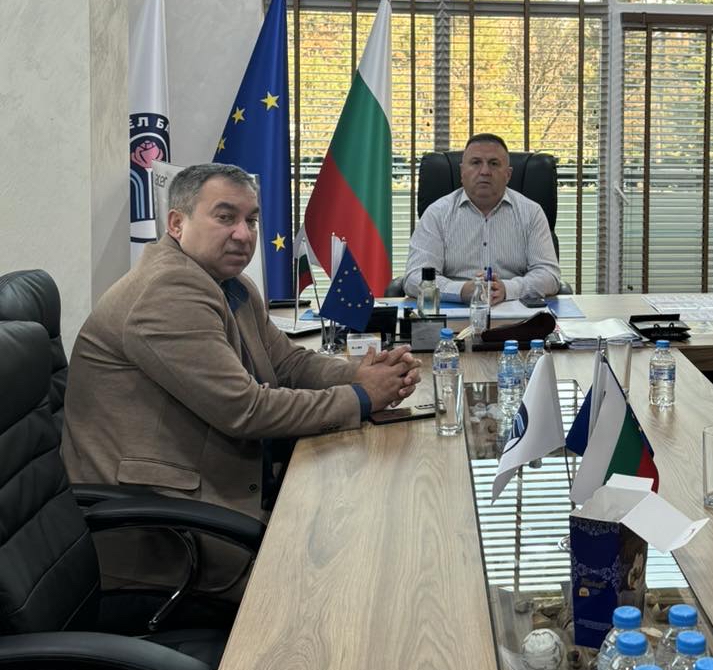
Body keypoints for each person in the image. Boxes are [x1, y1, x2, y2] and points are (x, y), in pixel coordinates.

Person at [63, 163, 421, 582]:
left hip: (217, 490)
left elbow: (288, 364)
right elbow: (246, 410)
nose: (243, 234)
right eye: (225, 217)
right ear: (177, 224)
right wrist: (363, 397)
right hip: (169, 530)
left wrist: (359, 374)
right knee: (347, 572)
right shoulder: (167, 292)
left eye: (251, 220)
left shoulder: (229, 283)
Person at [402, 133, 560, 305]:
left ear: (508, 175)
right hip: (454, 309)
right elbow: (414, 277)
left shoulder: (531, 212)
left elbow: (549, 275)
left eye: (494, 164)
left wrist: (507, 289)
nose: (485, 171)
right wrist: (461, 290)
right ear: (462, 172)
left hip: (515, 308)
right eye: (476, 162)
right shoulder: (437, 214)